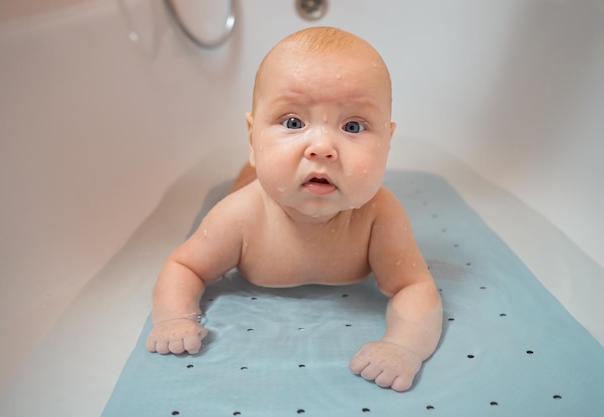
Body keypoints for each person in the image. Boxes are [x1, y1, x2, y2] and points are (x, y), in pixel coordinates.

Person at [145, 26, 443, 392]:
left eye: (353, 126)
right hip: (253, 185)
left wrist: (402, 346)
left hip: (281, 178)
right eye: (293, 122)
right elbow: (184, 266)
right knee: (245, 185)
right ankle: (251, 169)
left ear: (388, 144)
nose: (322, 146)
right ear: (253, 140)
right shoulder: (239, 215)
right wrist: (175, 317)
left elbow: (414, 285)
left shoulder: (380, 214)